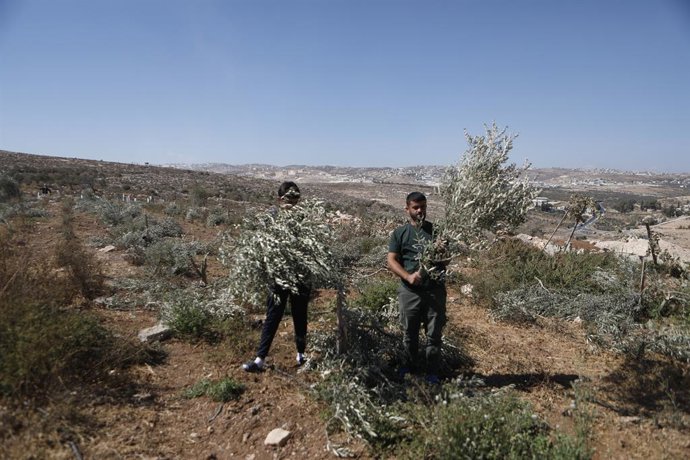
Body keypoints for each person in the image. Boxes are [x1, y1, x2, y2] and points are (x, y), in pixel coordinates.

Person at [242, 181, 311, 372]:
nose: (293, 202)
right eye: (290, 198)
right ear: (280, 199)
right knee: (273, 316)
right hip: (278, 276)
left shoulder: (305, 218)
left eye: (296, 198)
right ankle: (260, 359)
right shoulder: (271, 217)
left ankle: (301, 354)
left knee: (300, 316)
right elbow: (261, 244)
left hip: (301, 276)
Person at [387, 191, 447, 384]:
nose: (420, 210)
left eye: (423, 206)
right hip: (409, 292)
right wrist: (408, 276)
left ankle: (432, 373)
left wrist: (441, 251)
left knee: (434, 335)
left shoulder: (437, 232)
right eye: (416, 207)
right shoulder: (400, 233)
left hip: (434, 291)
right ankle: (409, 368)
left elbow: (446, 260)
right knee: (409, 333)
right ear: (407, 209)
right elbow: (391, 260)